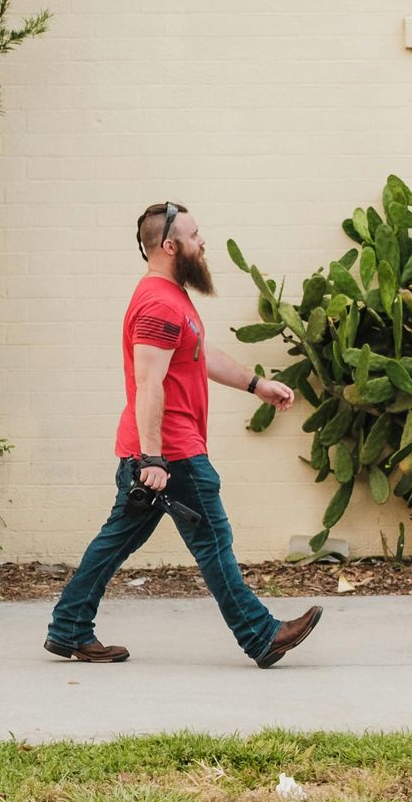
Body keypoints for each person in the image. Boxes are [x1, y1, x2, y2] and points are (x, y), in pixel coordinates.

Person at [45, 200, 323, 667]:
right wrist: (152, 459)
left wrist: (256, 384)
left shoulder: (172, 297)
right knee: (214, 539)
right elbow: (148, 382)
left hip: (159, 451)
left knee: (118, 540)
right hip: (170, 453)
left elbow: (198, 354)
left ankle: (69, 626)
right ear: (171, 246)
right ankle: (261, 634)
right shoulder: (157, 303)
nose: (203, 243)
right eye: (195, 237)